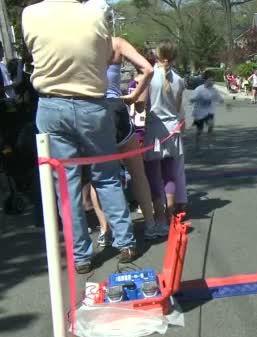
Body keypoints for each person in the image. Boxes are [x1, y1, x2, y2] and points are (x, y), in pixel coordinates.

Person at [22, 0, 138, 273]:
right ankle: (125, 241)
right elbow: (104, 55)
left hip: (51, 104)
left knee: (66, 183)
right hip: (92, 104)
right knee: (107, 176)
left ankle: (81, 256)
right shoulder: (95, 15)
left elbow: (33, 52)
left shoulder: (30, 14)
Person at [83, 0, 157, 245]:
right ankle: (150, 224)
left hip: (92, 110)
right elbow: (148, 69)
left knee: (99, 177)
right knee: (137, 171)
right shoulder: (116, 43)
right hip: (117, 109)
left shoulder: (79, 45)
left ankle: (106, 229)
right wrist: (134, 96)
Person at [143, 40, 186, 230]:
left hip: (154, 128)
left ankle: (160, 218)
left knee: (153, 174)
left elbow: (143, 105)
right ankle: (171, 213)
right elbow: (178, 108)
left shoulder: (150, 77)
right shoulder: (179, 80)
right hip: (173, 129)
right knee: (170, 174)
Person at [191, 70, 224, 148]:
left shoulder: (214, 90)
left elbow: (219, 98)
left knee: (211, 125)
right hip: (199, 113)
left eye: (213, 80)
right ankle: (197, 142)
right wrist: (195, 99)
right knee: (200, 130)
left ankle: (209, 142)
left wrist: (222, 101)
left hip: (209, 112)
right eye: (211, 80)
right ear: (205, 80)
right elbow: (192, 99)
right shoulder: (199, 89)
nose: (212, 82)